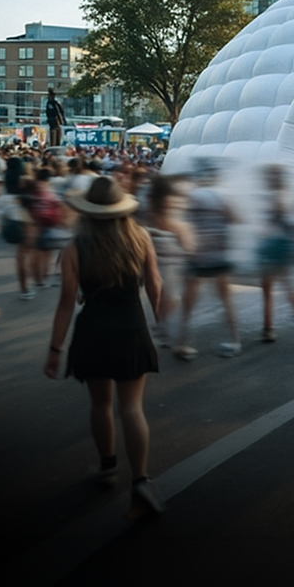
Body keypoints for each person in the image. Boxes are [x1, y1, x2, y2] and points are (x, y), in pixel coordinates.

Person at [43, 176, 164, 517]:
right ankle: (140, 480)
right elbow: (155, 284)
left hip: (93, 331)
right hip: (131, 329)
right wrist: (160, 317)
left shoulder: (75, 248)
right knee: (132, 408)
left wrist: (55, 350)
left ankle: (108, 467)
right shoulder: (141, 237)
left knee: (101, 403)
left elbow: (67, 302)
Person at [176, 161, 240, 359]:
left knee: (188, 303)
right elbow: (235, 218)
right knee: (226, 299)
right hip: (218, 255)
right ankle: (235, 340)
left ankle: (182, 343)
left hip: (197, 255)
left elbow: (184, 222)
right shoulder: (220, 196)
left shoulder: (192, 196)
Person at [257, 164, 294, 341]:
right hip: (276, 245)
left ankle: (270, 328)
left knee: (270, 288)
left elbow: (283, 218)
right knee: (280, 286)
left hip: (274, 245)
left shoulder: (278, 196)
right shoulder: (282, 194)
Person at [146, 175, 194, 347]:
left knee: (165, 296)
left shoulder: (153, 202)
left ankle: (161, 326)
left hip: (163, 259)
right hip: (167, 260)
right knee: (172, 298)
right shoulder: (164, 205)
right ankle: (160, 327)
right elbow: (183, 237)